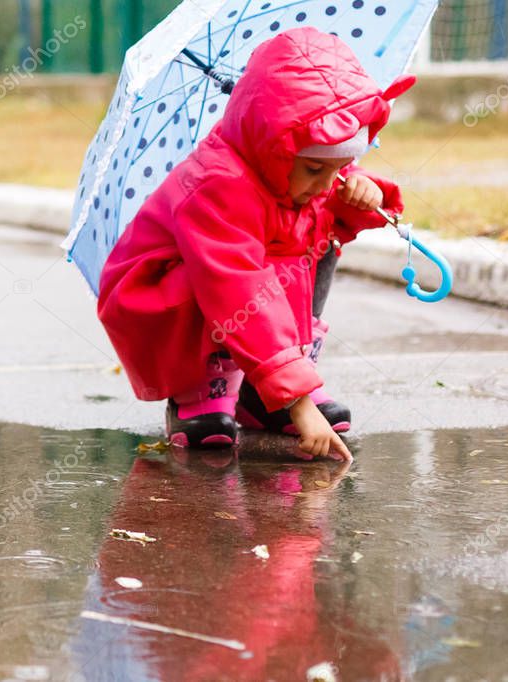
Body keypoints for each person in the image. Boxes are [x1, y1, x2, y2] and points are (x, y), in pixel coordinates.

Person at [97, 27, 414, 460]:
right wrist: (302, 404)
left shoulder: (295, 171)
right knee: (236, 275)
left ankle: (261, 394)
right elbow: (237, 286)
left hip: (234, 301)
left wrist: (359, 191)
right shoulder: (216, 185)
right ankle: (198, 392)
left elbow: (321, 196)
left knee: (317, 237)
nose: (327, 183)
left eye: (339, 167)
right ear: (276, 145)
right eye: (316, 169)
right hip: (165, 305)